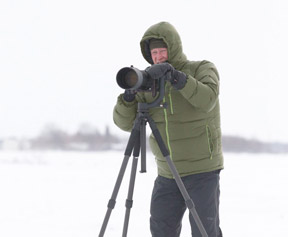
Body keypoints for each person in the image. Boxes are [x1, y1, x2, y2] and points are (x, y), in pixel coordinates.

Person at [113, 21, 223, 237]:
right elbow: (125, 124)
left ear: (173, 48)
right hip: (167, 172)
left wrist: (177, 78)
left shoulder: (201, 68)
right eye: (154, 52)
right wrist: (127, 99)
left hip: (202, 170)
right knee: (161, 230)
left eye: (162, 50)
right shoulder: (148, 82)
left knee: (205, 232)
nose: (158, 56)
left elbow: (207, 98)